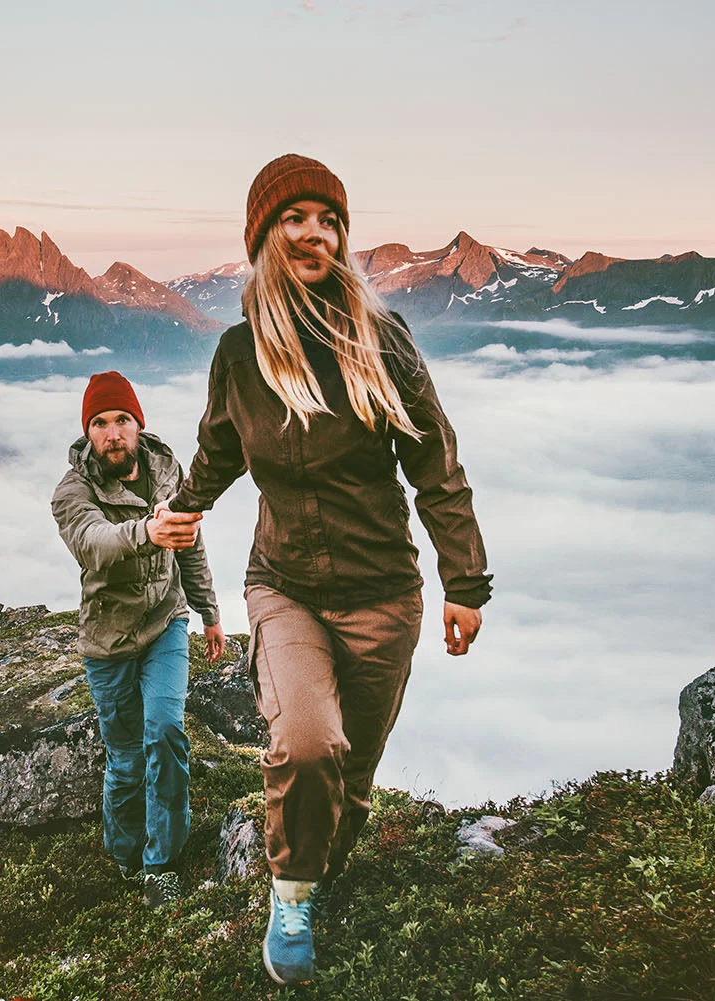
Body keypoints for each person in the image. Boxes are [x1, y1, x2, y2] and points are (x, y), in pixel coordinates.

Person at [153, 154, 491, 984]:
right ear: (265, 239)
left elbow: (435, 465)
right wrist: (180, 506)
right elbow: (220, 447)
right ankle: (292, 890)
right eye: (294, 219)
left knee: (354, 771)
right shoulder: (240, 354)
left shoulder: (382, 340)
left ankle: (323, 859)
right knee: (308, 745)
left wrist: (466, 583)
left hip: (384, 594)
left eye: (328, 220)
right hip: (286, 585)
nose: (315, 233)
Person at [51, 371, 225, 907]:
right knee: (125, 758)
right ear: (88, 433)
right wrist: (147, 532)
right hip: (107, 641)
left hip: (166, 624)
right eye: (99, 423)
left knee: (166, 731)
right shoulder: (71, 491)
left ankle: (161, 863)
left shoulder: (167, 470)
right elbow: (93, 543)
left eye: (122, 420)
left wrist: (209, 611)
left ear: (138, 424)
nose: (112, 433)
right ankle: (125, 854)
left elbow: (188, 541)